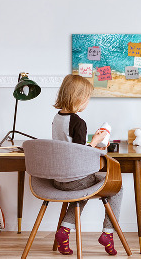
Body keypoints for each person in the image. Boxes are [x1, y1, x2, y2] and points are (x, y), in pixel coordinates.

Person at [52, 74, 122, 256]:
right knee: (117, 187)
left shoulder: (57, 118)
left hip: (58, 179)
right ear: (79, 98)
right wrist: (96, 142)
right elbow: (79, 154)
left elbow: (69, 147)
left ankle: (64, 231)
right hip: (75, 179)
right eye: (88, 97)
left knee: (83, 191)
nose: (88, 102)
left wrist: (92, 143)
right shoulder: (78, 122)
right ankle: (108, 233)